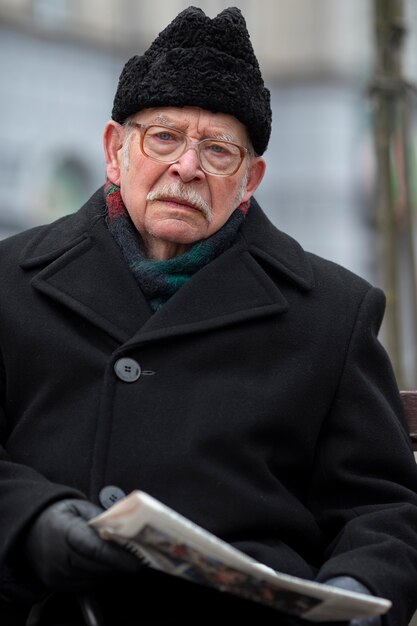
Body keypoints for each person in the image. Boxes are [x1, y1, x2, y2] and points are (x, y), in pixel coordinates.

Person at [0, 6, 417, 626]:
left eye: (219, 150)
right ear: (116, 151)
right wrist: (32, 523)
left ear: (251, 179)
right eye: (163, 137)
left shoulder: (333, 312)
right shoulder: (11, 280)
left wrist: (355, 596)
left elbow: (383, 511)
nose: (186, 167)